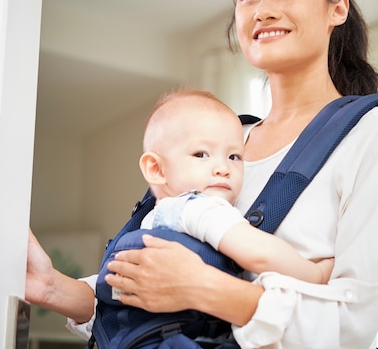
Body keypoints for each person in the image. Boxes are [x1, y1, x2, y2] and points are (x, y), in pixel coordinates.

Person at [25, 0, 378, 348]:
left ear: (338, 7)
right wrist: (51, 289)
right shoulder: (223, 140)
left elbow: (354, 321)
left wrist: (204, 288)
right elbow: (151, 285)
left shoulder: (373, 133)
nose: (264, 10)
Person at [93, 89, 334, 347]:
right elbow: (259, 253)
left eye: (234, 157)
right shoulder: (198, 208)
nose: (223, 168)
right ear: (156, 169)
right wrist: (316, 274)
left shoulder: (154, 219)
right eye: (201, 154)